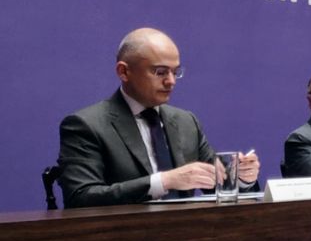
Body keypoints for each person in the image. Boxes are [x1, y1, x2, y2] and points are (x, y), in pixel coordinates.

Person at [57, 28, 260, 208]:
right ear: (124, 71)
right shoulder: (86, 125)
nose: (171, 81)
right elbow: (81, 198)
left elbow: (216, 186)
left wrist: (240, 178)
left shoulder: (186, 122)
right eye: (160, 72)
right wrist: (164, 181)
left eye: (175, 72)